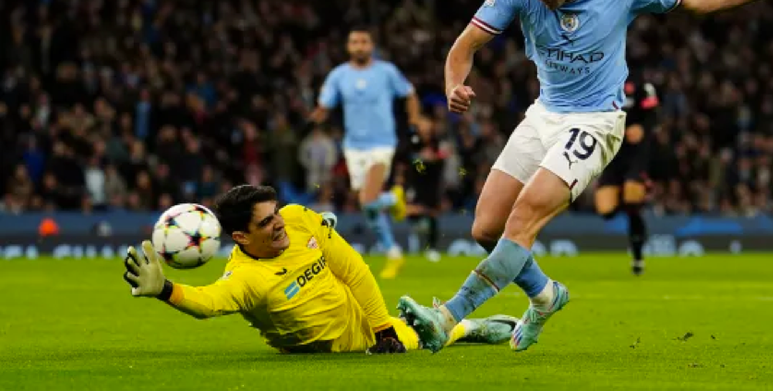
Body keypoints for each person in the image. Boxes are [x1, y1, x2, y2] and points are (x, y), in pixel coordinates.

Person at [397, 0, 773, 353]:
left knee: (522, 220)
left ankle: (445, 317)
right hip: (544, 115)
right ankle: (545, 296)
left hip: (596, 120)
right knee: (486, 227)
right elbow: (464, 48)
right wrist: (453, 85)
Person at [123, 185, 518, 354]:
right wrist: (165, 290)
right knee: (425, 336)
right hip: (328, 347)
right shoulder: (247, 277)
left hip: (365, 324)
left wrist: (381, 329)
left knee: (415, 340)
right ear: (241, 237)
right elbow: (208, 302)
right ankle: (456, 326)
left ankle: (451, 324)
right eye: (265, 223)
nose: (278, 223)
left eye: (275, 213)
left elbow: (355, 270)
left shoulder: (298, 219)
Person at [309, 28, 423, 278]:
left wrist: (415, 121)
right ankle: (393, 251)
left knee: (366, 199)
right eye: (354, 42)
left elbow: (409, 94)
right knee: (369, 207)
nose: (359, 46)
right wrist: (318, 114)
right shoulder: (339, 75)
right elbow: (325, 103)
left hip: (382, 143)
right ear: (348, 47)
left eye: (363, 41)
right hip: (353, 146)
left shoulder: (386, 72)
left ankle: (395, 200)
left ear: (371, 45)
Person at [594, 74, 660, 275]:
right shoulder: (601, 82)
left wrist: (642, 128)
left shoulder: (642, 85)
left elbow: (653, 114)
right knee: (606, 208)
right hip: (614, 153)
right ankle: (633, 196)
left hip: (636, 153)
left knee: (632, 196)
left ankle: (638, 256)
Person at [405, 115, 449, 262]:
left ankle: (432, 247)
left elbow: (443, 156)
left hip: (432, 183)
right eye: (422, 126)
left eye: (427, 126)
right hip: (416, 183)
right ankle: (411, 244)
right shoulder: (413, 142)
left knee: (432, 215)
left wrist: (435, 158)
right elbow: (406, 157)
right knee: (414, 211)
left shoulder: (436, 142)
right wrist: (421, 157)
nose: (425, 130)